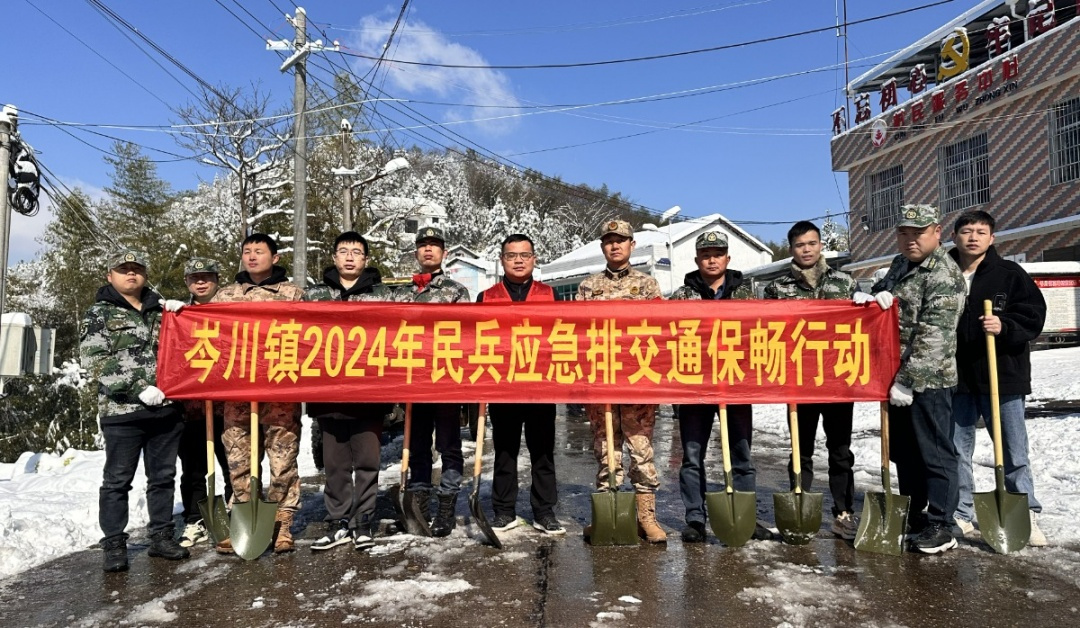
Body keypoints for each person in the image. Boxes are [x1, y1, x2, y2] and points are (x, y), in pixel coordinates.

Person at [857, 203, 966, 554]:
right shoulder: (901, 264)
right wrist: (872, 298)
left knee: (935, 453)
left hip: (928, 381)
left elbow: (936, 337)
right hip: (896, 378)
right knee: (906, 453)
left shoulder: (944, 275)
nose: (910, 241)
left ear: (936, 231)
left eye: (917, 233)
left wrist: (907, 380)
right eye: (903, 233)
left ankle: (942, 524)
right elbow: (885, 295)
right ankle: (916, 514)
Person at [81, 250, 188, 572]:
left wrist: (186, 314)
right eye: (123, 270)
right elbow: (94, 360)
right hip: (121, 411)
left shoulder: (161, 311)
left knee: (163, 478)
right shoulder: (99, 313)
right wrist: (135, 388)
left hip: (166, 411)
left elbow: (191, 346)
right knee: (117, 480)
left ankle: (161, 536)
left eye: (137, 269)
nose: (131, 274)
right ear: (109, 276)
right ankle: (114, 543)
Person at [948, 210, 1047, 546]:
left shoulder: (1010, 274)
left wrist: (1004, 326)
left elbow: (1034, 316)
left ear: (992, 238)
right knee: (957, 449)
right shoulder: (943, 274)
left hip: (1002, 375)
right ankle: (960, 513)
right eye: (966, 231)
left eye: (981, 231)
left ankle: (1025, 511)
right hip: (956, 377)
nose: (973, 237)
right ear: (954, 236)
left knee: (1013, 449)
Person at [210, 233, 305, 553]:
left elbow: (309, 336)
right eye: (247, 251)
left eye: (259, 251)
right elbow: (209, 336)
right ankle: (246, 523)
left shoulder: (293, 294)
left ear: (275, 258)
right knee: (238, 461)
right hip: (237, 394)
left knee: (283, 462)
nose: (252, 257)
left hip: (280, 392)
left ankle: (281, 524)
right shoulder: (225, 296)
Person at [764, 221, 859, 540]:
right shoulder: (778, 288)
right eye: (800, 245)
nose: (807, 249)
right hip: (799, 382)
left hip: (837, 380)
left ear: (821, 246)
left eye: (812, 243)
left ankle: (844, 511)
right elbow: (765, 329)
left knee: (840, 449)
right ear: (791, 249)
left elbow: (858, 323)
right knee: (800, 449)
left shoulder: (843, 282)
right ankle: (799, 504)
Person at [669, 231, 763, 543]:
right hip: (694, 390)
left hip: (736, 386)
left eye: (718, 253)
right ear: (697, 260)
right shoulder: (682, 297)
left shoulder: (746, 295)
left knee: (742, 454)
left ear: (728, 258)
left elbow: (763, 332)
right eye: (706, 254)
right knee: (692, 455)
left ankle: (745, 512)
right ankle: (695, 517)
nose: (712, 259)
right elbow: (664, 334)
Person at [578, 219, 667, 543]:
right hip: (600, 383)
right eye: (609, 241)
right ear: (603, 247)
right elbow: (576, 333)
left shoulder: (647, 286)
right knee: (606, 450)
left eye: (621, 240)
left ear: (632, 245)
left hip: (637, 382)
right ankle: (609, 513)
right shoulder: (589, 287)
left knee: (641, 449)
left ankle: (646, 517)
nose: (615, 246)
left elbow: (661, 330)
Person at [303, 232, 393, 551]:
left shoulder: (384, 297)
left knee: (368, 461)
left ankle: (364, 521)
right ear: (334, 257)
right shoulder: (313, 295)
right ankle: (337, 520)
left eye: (357, 252)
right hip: (327, 394)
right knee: (335, 464)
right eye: (344, 251)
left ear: (365, 259)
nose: (350, 257)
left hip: (370, 394)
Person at [476, 234, 563, 535]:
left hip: (541, 386)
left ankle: (544, 511)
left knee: (543, 451)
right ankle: (503, 510)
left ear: (534, 259)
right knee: (505, 450)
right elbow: (474, 342)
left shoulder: (551, 295)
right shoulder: (486, 297)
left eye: (524, 255)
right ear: (501, 259)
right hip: (502, 387)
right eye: (511, 255)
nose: (518, 260)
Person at [387, 226, 470, 537]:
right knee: (417, 445)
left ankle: (447, 504)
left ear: (444, 253)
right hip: (412, 381)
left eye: (435, 246)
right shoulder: (401, 293)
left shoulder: (456, 292)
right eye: (423, 245)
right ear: (416, 252)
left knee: (448, 446)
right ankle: (419, 500)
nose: (428, 250)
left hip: (446, 380)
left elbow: (464, 335)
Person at [171, 258, 232, 548]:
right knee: (194, 469)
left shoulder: (231, 313)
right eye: (195, 277)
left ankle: (235, 513)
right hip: (191, 408)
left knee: (235, 465)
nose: (201, 282)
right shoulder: (178, 316)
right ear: (187, 282)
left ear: (216, 279)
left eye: (207, 276)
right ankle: (196, 518)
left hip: (230, 407)